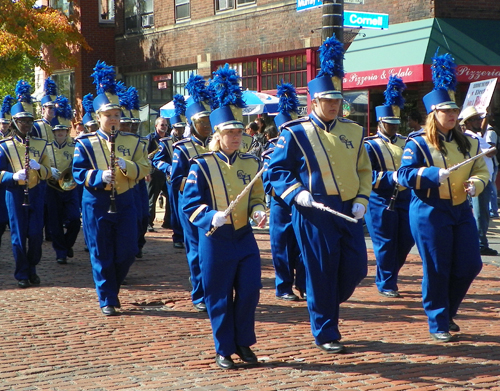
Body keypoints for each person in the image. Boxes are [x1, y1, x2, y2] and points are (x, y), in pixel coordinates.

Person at [268, 36, 371, 354]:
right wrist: (295, 194)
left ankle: (320, 297)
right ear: (314, 101)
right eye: (327, 100)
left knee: (356, 268)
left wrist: (362, 200)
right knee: (322, 270)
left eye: (337, 99)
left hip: (347, 209)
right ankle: (326, 331)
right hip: (313, 210)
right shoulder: (295, 132)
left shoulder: (354, 130)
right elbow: (277, 171)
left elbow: (364, 169)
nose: (333, 105)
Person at [398, 52, 488, 343]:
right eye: (445, 110)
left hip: (460, 208)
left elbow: (481, 170)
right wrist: (428, 174)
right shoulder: (417, 142)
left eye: (454, 110)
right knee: (437, 266)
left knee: (470, 264)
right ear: (433, 114)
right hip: (429, 209)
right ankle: (438, 321)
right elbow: (404, 175)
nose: (452, 115)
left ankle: (448, 311)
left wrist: (476, 183)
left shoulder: (470, 142)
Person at [182, 65, 266, 370]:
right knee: (218, 296)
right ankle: (223, 348)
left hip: (244, 238)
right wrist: (210, 216)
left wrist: (258, 211)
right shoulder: (200, 165)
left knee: (249, 292)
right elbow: (189, 205)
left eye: (239, 131)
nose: (236, 136)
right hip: (215, 240)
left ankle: (243, 342)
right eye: (230, 132)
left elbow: (257, 196)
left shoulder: (251, 161)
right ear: (218, 134)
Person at [73, 61, 150, 316]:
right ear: (99, 117)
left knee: (127, 251)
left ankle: (112, 287)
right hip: (96, 202)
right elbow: (77, 172)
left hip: (126, 199)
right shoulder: (85, 143)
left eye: (117, 115)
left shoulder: (134, 140)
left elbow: (145, 168)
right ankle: (107, 298)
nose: (114, 119)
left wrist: (126, 166)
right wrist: (98, 176)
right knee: (101, 250)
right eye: (109, 115)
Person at [364, 75, 415, 298]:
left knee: (406, 240)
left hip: (405, 198)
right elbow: (367, 175)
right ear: (380, 123)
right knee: (385, 242)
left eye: (396, 124)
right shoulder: (369, 145)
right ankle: (386, 282)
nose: (393, 128)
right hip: (380, 199)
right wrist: (391, 177)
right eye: (389, 124)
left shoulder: (406, 141)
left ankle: (389, 275)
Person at [0, 81, 52, 288]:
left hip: (37, 191)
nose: (27, 125)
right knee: (19, 236)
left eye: (30, 121)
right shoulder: (4, 146)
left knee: (36, 235)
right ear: (14, 122)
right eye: (23, 121)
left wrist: (40, 168)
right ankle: (22, 273)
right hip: (15, 193)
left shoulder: (40, 144)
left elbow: (49, 172)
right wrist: (13, 177)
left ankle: (32, 267)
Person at [171, 73, 212, 311]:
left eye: (208, 121)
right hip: (191, 204)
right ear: (192, 125)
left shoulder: (217, 143)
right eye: (201, 122)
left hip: (215, 203)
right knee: (196, 250)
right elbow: (176, 178)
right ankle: (199, 294)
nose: (206, 126)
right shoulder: (183, 148)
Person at [263, 82, 305, 301]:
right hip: (281, 204)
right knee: (282, 246)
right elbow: (267, 181)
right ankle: (284, 286)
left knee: (303, 245)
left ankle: (304, 284)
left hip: (302, 201)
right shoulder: (271, 150)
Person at [45, 95, 80, 265]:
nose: (60, 134)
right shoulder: (47, 147)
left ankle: (67, 244)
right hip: (52, 188)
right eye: (57, 131)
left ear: (67, 132)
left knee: (74, 219)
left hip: (70, 187)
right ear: (53, 133)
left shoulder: (75, 146)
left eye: (63, 131)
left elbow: (79, 165)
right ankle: (61, 252)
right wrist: (48, 170)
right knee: (55, 222)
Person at [460, 106, 498, 256]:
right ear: (468, 123)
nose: (479, 121)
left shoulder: (474, 136)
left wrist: (486, 116)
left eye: (480, 119)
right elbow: (491, 152)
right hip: (480, 181)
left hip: (479, 179)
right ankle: (480, 243)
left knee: (477, 213)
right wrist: (493, 147)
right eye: (476, 119)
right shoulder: (473, 138)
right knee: (481, 213)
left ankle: (476, 241)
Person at [152, 96, 186, 248]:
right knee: (175, 208)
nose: (181, 130)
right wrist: (169, 168)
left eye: (183, 127)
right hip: (172, 179)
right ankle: (177, 236)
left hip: (187, 179)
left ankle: (186, 234)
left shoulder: (188, 142)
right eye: (178, 128)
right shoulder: (165, 142)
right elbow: (156, 161)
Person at [146, 117, 170, 232]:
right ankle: (148, 222)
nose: (164, 127)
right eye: (162, 125)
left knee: (170, 197)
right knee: (152, 199)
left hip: (166, 172)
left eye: (165, 125)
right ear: (156, 126)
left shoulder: (169, 138)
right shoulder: (150, 138)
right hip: (153, 172)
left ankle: (168, 222)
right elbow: (145, 156)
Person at [32, 77, 57, 142]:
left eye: (54, 107)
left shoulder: (58, 124)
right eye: (50, 107)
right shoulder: (36, 126)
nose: (53, 110)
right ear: (43, 109)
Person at [484, 116, 498, 217]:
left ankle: (493, 210)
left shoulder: (489, 132)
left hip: (492, 163)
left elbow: (491, 150)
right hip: (488, 164)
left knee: (491, 186)